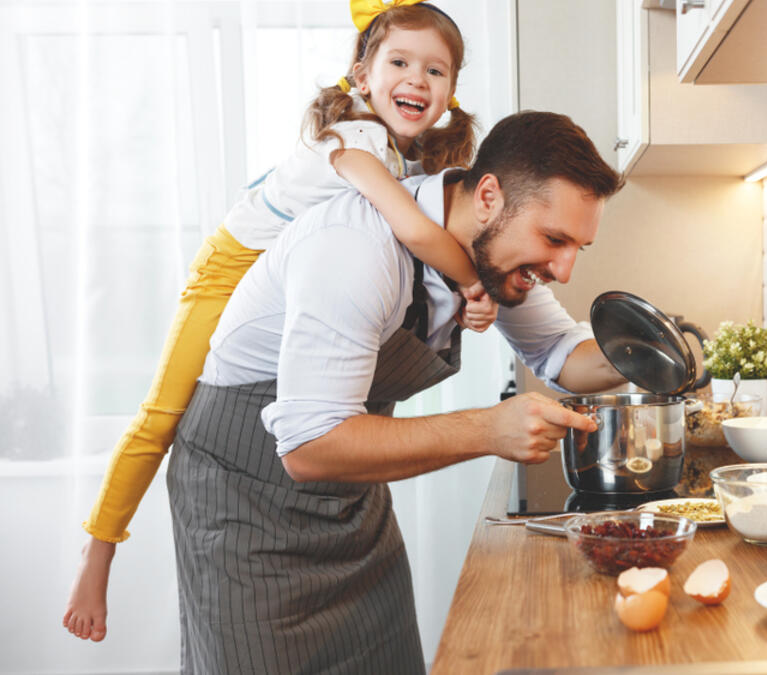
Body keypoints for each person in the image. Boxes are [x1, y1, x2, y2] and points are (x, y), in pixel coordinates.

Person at [62, 0, 497, 643]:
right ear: (360, 73)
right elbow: (412, 229)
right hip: (232, 265)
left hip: (279, 277)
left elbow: (409, 255)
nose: (417, 79)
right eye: (399, 61)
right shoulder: (356, 139)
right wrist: (471, 279)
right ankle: (95, 558)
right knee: (163, 414)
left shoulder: (411, 161)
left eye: (435, 70)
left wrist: (469, 298)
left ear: (453, 92)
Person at [167, 109, 625, 673]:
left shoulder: (492, 254)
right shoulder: (356, 247)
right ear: (488, 196)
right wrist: (488, 428)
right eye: (554, 239)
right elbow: (310, 447)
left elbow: (560, 354)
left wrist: (645, 354)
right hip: (246, 511)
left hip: (351, 505)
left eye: (578, 246)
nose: (565, 268)